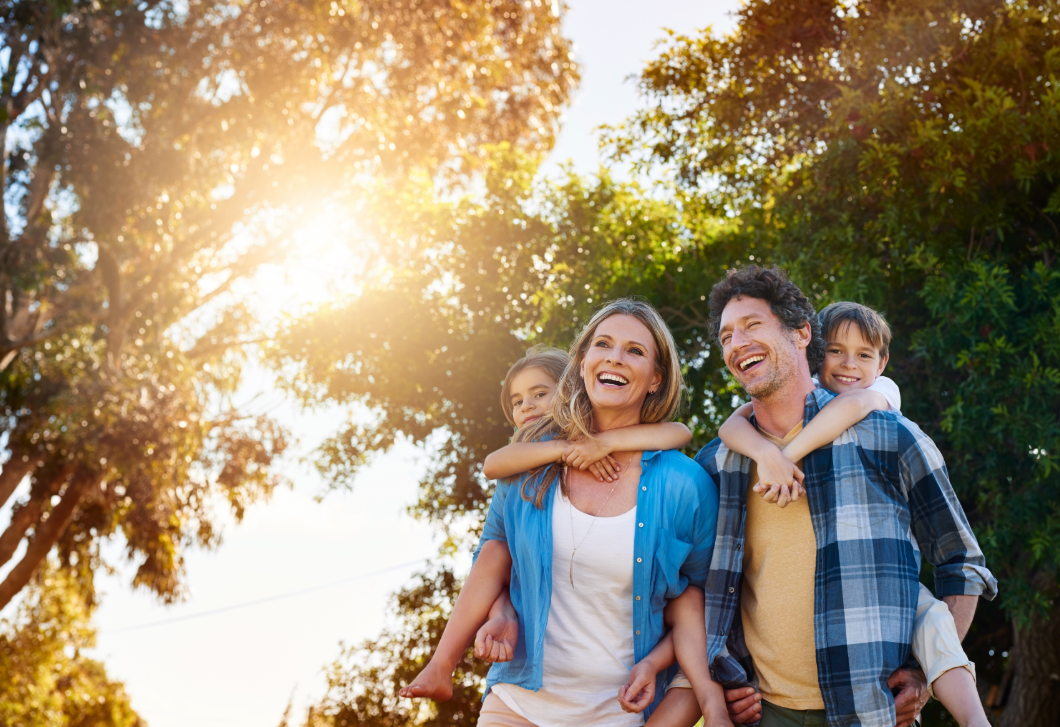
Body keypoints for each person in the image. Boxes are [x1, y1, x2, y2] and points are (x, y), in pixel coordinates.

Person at [694, 266, 997, 727]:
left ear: (801, 333)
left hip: (869, 713)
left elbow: (962, 563)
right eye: (726, 336)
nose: (737, 343)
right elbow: (697, 591)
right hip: (763, 714)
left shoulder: (888, 435)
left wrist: (922, 674)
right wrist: (717, 688)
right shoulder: (718, 463)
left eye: (752, 325)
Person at [399, 341, 698, 704]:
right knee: (494, 549)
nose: (526, 406)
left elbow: (679, 432)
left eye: (539, 393)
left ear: (571, 387)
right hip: (523, 582)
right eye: (517, 400)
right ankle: (441, 662)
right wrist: (566, 453)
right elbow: (492, 468)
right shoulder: (526, 456)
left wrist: (600, 444)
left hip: (604, 669)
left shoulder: (598, 439)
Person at [472, 298, 720, 726]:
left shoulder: (686, 485)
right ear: (583, 360)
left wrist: (694, 701)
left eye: (635, 350)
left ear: (656, 379)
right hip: (515, 706)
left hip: (620, 715)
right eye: (602, 344)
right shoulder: (530, 464)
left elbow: (701, 609)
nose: (615, 358)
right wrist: (502, 611)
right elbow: (490, 557)